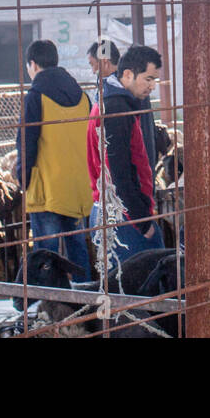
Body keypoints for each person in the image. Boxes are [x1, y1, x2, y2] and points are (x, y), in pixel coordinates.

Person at [17, 39, 94, 281]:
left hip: (47, 188)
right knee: (77, 247)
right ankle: (86, 300)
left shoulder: (35, 97)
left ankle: (49, 307)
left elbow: (27, 142)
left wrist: (23, 178)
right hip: (77, 187)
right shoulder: (83, 97)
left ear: (33, 64)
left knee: (45, 254)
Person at [88, 45, 165, 274]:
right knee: (147, 286)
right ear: (128, 74)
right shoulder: (117, 109)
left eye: (155, 80)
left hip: (110, 209)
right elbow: (119, 172)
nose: (152, 86)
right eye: (148, 79)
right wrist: (142, 221)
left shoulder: (108, 100)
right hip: (123, 215)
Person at [86, 38, 121, 107]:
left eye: (92, 64)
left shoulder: (109, 90)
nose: (93, 71)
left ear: (104, 62)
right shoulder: (130, 83)